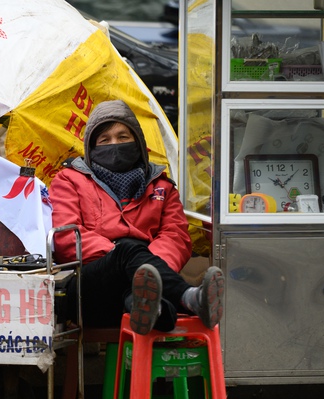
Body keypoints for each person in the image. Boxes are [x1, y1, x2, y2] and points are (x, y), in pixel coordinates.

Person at [49, 100, 224, 334]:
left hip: (141, 288)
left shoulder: (163, 186)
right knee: (127, 250)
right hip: (87, 292)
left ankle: (151, 307)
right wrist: (121, 256)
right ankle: (190, 297)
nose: (115, 144)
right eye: (104, 140)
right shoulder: (69, 180)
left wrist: (144, 266)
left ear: (139, 143)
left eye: (123, 137)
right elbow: (66, 237)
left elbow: (177, 236)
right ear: (91, 147)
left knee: (146, 295)